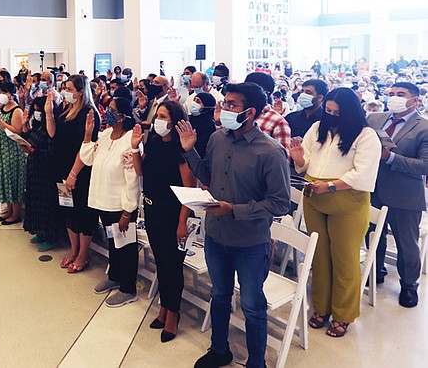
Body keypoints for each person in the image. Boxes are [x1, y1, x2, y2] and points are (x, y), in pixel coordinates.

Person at [177, 82, 291, 368]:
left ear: (250, 112)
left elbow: (280, 203)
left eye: (230, 105)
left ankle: (256, 362)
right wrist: (190, 152)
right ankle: (219, 349)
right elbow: (208, 177)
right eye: (224, 103)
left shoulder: (270, 151)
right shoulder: (218, 139)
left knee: (252, 305)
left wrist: (235, 210)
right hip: (216, 235)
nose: (223, 109)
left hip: (250, 242)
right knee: (219, 294)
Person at [289, 87, 381, 337]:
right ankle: (321, 307)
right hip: (314, 196)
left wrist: (330, 185)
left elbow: (362, 173)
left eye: (336, 112)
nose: (330, 116)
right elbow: (307, 160)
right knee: (319, 256)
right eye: (328, 111)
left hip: (346, 200)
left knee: (344, 259)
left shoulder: (366, 135)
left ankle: (343, 314)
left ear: (350, 112)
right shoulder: (318, 127)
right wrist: (298, 159)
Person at [131, 101, 197, 343]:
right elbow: (140, 172)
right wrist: (135, 148)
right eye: (157, 115)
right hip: (152, 210)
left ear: (175, 121)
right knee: (161, 262)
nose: (157, 120)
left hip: (172, 214)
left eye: (163, 116)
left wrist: (182, 223)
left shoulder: (182, 151)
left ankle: (173, 313)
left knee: (172, 266)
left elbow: (189, 191)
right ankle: (164, 307)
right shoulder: (154, 142)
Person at [367, 82, 428, 308]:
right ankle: (377, 269)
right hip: (373, 189)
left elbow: (425, 165)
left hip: (405, 195)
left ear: (414, 100)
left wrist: (390, 157)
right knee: (373, 234)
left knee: (406, 244)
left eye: (400, 95)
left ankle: (409, 285)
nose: (394, 98)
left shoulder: (423, 127)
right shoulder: (374, 119)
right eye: (391, 94)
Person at [80, 97, 141, 307]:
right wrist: (88, 134)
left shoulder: (130, 140)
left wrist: (127, 211)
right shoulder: (106, 135)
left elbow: (132, 178)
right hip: (103, 202)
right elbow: (88, 159)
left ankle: (128, 288)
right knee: (112, 243)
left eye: (112, 110)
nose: (107, 113)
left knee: (126, 247)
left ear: (123, 116)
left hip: (121, 205)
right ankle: (114, 276)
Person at [45, 74, 101, 273]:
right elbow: (53, 134)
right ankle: (74, 249)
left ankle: (84, 254)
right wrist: (49, 113)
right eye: (65, 88)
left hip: (79, 169)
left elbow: (85, 147)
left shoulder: (88, 112)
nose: (65, 92)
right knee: (67, 209)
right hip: (61, 166)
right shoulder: (64, 109)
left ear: (80, 92)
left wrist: (73, 174)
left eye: (69, 89)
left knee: (82, 212)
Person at [22, 96, 63, 251]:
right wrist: (25, 126)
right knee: (34, 201)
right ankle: (39, 231)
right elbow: (28, 139)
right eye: (36, 110)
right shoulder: (37, 126)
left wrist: (32, 150)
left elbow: (51, 151)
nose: (38, 113)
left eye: (41, 110)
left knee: (46, 204)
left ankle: (51, 236)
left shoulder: (52, 128)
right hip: (33, 169)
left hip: (46, 171)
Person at [0, 82, 27, 225]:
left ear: (11, 93)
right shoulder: (2, 108)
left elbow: (16, 130)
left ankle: (16, 213)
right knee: (3, 179)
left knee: (12, 180)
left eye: (4, 92)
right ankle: (8, 210)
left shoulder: (17, 110)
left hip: (11, 150)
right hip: (0, 149)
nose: (1, 95)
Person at [187, 92, 218, 157]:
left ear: (206, 105)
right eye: (194, 100)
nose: (194, 103)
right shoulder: (187, 118)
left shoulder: (209, 125)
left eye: (198, 101)